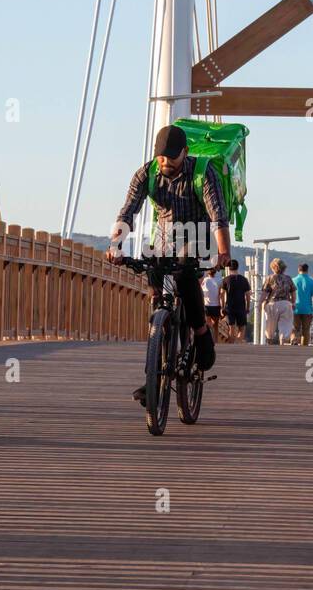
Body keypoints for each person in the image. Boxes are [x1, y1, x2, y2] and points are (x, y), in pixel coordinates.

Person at [107, 123, 230, 403]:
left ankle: (200, 334)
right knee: (155, 277)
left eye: (171, 159)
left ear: (185, 153)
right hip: (164, 236)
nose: (165, 163)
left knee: (186, 274)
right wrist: (115, 245)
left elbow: (217, 216)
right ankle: (155, 373)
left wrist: (223, 252)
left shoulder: (203, 172)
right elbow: (128, 212)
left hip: (199, 235)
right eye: (161, 157)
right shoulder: (146, 173)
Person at [260, 258, 296, 345]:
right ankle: (282, 341)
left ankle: (270, 341)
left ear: (273, 267)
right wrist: (293, 302)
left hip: (272, 304)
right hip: (286, 304)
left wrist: (260, 304)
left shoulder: (269, 278)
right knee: (285, 325)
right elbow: (293, 292)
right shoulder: (288, 278)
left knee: (270, 326)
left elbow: (264, 293)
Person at [220, 258, 251, 343]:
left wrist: (222, 307)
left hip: (229, 307)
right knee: (242, 328)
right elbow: (248, 296)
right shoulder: (244, 280)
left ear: (228, 268)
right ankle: (238, 343)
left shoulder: (226, 280)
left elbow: (222, 295)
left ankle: (231, 346)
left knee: (231, 328)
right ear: (237, 267)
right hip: (241, 307)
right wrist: (247, 307)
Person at [291, 262, 313, 346]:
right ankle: (304, 348)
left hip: (295, 308)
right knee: (306, 331)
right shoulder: (312, 282)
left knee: (295, 329)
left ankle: (294, 341)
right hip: (307, 309)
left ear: (298, 270)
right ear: (307, 270)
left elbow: (290, 295)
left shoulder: (293, 280)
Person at [202, 266, 223, 339]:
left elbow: (202, 292)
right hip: (216, 305)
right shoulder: (219, 281)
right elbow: (221, 294)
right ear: (215, 272)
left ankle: (208, 339)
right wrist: (222, 306)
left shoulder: (204, 280)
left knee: (207, 325)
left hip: (206, 305)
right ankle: (216, 340)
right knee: (215, 326)